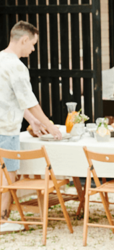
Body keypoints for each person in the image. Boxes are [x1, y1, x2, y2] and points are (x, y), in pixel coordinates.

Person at [0, 21, 62, 234]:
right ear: (24, 39)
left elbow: (11, 98)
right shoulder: (16, 65)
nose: (33, 49)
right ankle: (2, 220)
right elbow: (29, 101)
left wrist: (31, 120)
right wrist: (50, 126)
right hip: (6, 130)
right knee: (8, 176)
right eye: (33, 44)